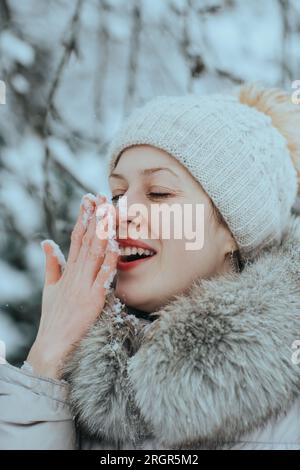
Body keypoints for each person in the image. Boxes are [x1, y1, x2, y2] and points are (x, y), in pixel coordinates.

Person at [1, 82, 300, 450]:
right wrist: (47, 360)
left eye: (159, 192)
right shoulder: (68, 395)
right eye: (117, 194)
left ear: (235, 232)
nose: (121, 213)